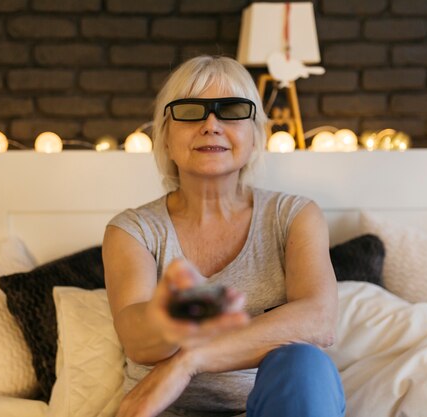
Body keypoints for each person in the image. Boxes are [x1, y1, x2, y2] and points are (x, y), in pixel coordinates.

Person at [102, 55, 345, 417]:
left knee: (304, 363)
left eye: (231, 110)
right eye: (190, 111)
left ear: (255, 135)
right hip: (167, 411)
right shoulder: (134, 230)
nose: (211, 124)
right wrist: (180, 311)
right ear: (165, 136)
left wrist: (190, 360)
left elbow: (318, 320)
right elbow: (137, 342)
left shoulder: (293, 217)